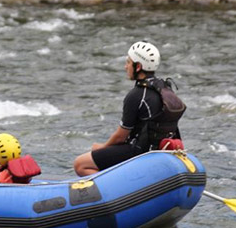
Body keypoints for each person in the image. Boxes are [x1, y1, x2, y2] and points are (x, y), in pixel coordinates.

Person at [73, 41, 185, 176]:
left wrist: (102, 147)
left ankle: (114, 190)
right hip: (157, 150)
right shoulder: (165, 88)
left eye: (128, 62)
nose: (126, 66)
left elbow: (121, 136)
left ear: (138, 66)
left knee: (80, 164)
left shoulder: (137, 94)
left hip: (139, 152)